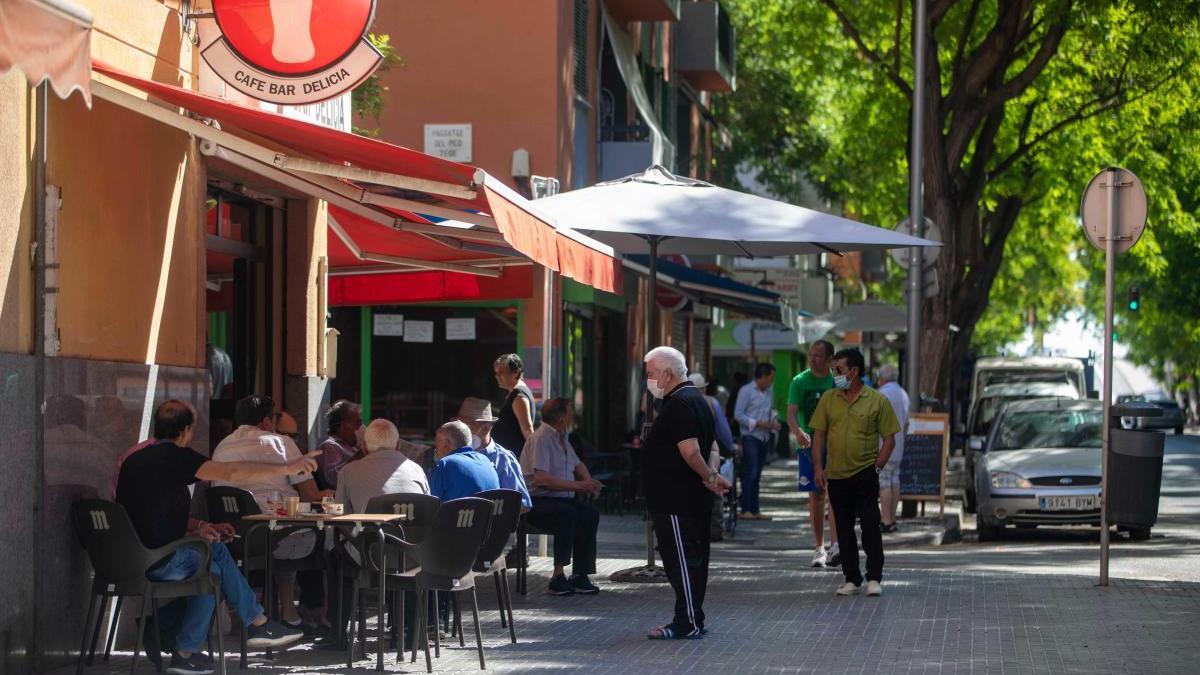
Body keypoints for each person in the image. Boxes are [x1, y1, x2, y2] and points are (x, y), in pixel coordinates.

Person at [116, 400, 306, 674]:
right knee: (214, 553)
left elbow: (148, 516)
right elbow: (231, 472)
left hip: (131, 557)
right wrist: (286, 468)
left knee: (213, 571)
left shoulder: (132, 460)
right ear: (185, 431)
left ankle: (184, 653)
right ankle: (258, 623)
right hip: (159, 560)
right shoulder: (178, 458)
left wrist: (198, 527)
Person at [212, 395, 334, 627]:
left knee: (287, 529)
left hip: (233, 537)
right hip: (274, 537)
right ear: (267, 422)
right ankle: (319, 614)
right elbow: (309, 495)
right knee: (323, 536)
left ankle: (286, 612)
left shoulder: (221, 445)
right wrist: (329, 494)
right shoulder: (282, 443)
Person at [642, 347, 730, 640]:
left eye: (651, 374)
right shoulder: (700, 401)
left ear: (667, 374)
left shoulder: (679, 403)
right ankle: (692, 618)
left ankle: (688, 622)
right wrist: (712, 476)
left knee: (682, 563)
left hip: (677, 501)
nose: (650, 380)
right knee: (692, 561)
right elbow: (713, 446)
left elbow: (691, 450)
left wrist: (709, 477)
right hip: (690, 499)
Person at [811, 348, 901, 597]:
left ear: (854, 371)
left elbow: (889, 440)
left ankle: (874, 577)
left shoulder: (877, 400)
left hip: (865, 473)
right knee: (843, 528)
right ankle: (852, 578)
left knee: (871, 526)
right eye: (833, 370)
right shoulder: (829, 399)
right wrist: (818, 467)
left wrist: (877, 466)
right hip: (837, 476)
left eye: (838, 370)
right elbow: (818, 435)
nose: (834, 374)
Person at [519, 398, 603, 595]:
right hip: (537, 501)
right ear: (561, 418)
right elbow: (541, 478)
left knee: (589, 513)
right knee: (567, 514)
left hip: (560, 498)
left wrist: (589, 483)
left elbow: (577, 464)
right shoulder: (542, 438)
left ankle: (581, 574)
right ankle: (558, 575)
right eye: (570, 414)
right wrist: (579, 485)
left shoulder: (561, 438)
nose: (573, 417)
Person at [786, 339, 841, 568]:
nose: (813, 358)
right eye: (811, 354)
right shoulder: (799, 381)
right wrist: (797, 431)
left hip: (835, 443)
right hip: (809, 446)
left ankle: (836, 545)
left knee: (837, 494)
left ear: (830, 360)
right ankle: (819, 547)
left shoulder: (838, 381)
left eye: (818, 355)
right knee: (816, 495)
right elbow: (791, 413)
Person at [336, 418, 430, 512]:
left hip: (368, 526)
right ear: (398, 446)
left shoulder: (347, 471)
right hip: (414, 526)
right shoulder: (417, 470)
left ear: (364, 448)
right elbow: (428, 509)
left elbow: (340, 515)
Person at [457, 397, 532, 510]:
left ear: (486, 428)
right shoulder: (455, 453)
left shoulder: (503, 459)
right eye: (461, 426)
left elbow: (522, 503)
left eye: (468, 426)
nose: (462, 431)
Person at [689, 373, 735, 540]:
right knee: (714, 488)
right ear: (704, 388)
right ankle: (714, 530)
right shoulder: (711, 402)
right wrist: (730, 448)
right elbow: (723, 433)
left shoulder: (676, 402)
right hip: (708, 455)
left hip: (685, 458)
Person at [733, 363, 780, 520]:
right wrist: (757, 423)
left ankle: (755, 509)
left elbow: (769, 410)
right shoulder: (746, 391)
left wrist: (773, 421)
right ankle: (745, 509)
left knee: (757, 475)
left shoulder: (768, 392)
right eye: (771, 378)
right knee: (750, 473)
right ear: (763, 376)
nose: (772, 382)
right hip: (750, 436)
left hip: (764, 437)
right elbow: (738, 415)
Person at [875, 364, 910, 532]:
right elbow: (908, 422)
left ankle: (886, 520)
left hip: (884, 445)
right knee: (895, 481)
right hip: (899, 444)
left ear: (881, 378)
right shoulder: (903, 394)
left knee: (884, 482)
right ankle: (893, 518)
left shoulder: (881, 394)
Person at [429, 420, 500, 501]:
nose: (435, 450)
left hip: (458, 513)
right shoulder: (486, 460)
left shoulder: (444, 464)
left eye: (437, 445)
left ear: (446, 444)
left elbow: (432, 506)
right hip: (487, 513)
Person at [492, 353, 535, 457]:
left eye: (501, 373)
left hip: (516, 456)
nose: (497, 376)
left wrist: (535, 455)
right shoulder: (515, 393)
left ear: (516, 373)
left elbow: (527, 429)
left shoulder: (519, 396)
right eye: (496, 373)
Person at [317, 400, 363, 489]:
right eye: (358, 423)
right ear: (343, 426)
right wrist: (360, 455)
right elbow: (333, 479)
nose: (361, 428)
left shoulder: (352, 447)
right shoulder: (330, 446)